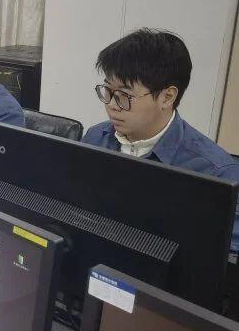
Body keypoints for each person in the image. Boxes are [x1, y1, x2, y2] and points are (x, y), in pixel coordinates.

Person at [82, 29, 239, 252]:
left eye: (124, 95)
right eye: (107, 90)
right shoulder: (96, 137)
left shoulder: (216, 173)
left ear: (167, 97)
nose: (112, 105)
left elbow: (226, 262)